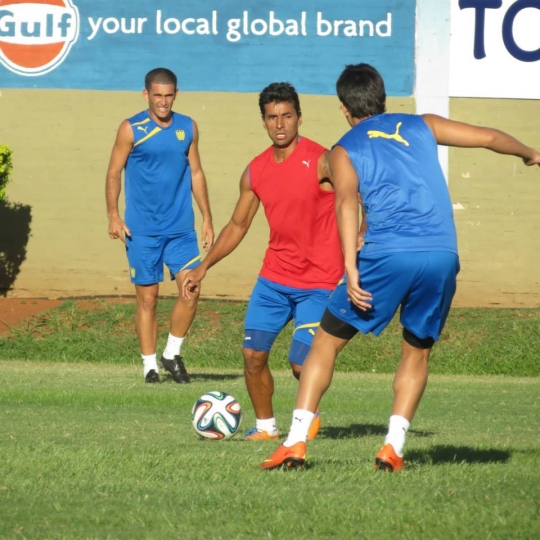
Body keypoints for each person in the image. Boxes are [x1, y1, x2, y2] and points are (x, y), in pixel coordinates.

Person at [261, 63, 540, 471]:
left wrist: (351, 268)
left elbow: (346, 203)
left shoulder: (343, 149)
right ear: (383, 98)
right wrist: (530, 153)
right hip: (442, 254)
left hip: (388, 253)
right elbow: (488, 137)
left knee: (325, 342)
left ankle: (295, 442)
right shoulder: (423, 124)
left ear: (344, 108)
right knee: (416, 351)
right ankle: (392, 447)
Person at [182, 82, 346, 440]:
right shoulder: (255, 171)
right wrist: (203, 267)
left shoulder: (323, 160)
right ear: (264, 121)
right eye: (272, 117)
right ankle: (266, 427)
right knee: (253, 355)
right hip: (274, 279)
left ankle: (309, 414)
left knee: (301, 363)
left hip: (319, 282)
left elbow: (354, 196)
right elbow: (238, 225)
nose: (280, 124)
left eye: (287, 115)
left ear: (299, 117)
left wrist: (364, 235)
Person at [106, 67, 214, 384]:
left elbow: (196, 172)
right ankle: (150, 366)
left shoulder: (188, 127)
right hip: (141, 231)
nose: (163, 102)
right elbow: (113, 172)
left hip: (181, 229)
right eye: (157, 96)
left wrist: (207, 217)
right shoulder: (131, 128)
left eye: (168, 96)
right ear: (146, 95)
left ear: (176, 94)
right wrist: (113, 214)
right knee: (148, 300)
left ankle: (171, 353)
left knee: (191, 289)